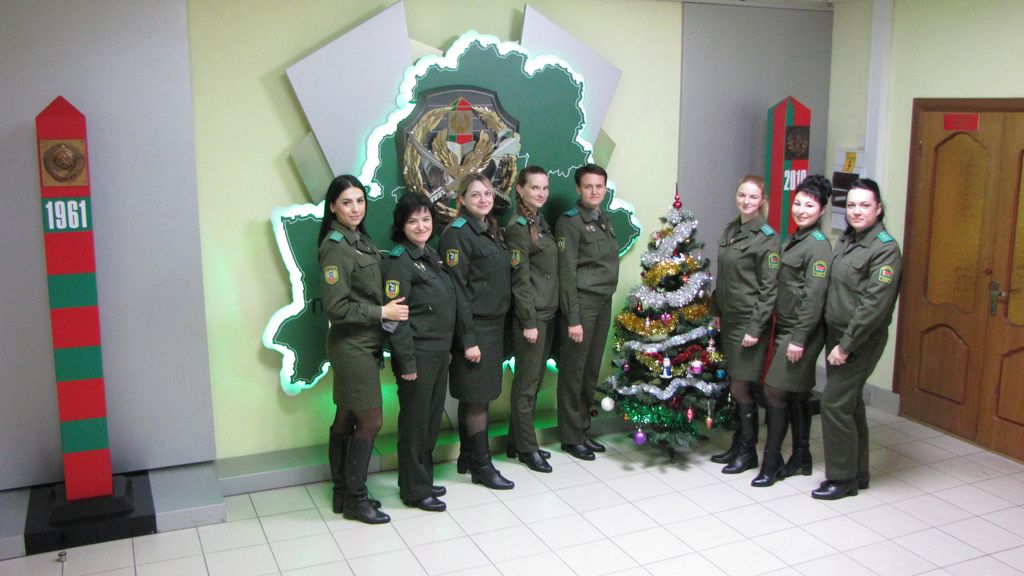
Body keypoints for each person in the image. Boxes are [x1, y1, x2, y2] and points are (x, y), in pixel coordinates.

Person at [319, 175, 408, 524]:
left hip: (363, 344)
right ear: (332, 207)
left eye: (360, 201)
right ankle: (356, 498)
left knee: (346, 416)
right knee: (371, 420)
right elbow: (336, 308)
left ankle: (343, 492)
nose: (355, 208)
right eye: (346, 202)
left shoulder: (360, 240)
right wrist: (381, 312)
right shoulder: (336, 247)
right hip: (351, 345)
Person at [812, 178, 902, 500]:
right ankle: (859, 472)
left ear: (878, 209)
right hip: (837, 334)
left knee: (833, 403)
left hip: (859, 339)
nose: (856, 211)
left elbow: (873, 306)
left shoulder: (885, 249)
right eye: (851, 205)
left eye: (864, 205)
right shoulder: (847, 240)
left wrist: (845, 346)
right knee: (849, 404)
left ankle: (842, 478)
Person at [752, 175, 832, 487]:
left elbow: (813, 298)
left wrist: (799, 339)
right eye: (797, 203)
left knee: (774, 392)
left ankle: (771, 462)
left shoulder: (818, 246)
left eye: (809, 205)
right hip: (786, 326)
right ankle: (801, 455)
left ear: (821, 210)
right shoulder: (795, 239)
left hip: (801, 332)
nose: (801, 210)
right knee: (797, 394)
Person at [439, 173, 515, 490]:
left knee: (476, 395)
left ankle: (468, 457)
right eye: (475, 195)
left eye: (488, 194)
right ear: (461, 200)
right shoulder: (457, 234)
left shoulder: (489, 229)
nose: (484, 199)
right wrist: (468, 339)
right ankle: (483, 467)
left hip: (493, 325)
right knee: (478, 398)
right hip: (474, 327)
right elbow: (456, 291)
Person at [384, 193, 456, 511]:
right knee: (415, 424)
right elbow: (396, 320)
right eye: (413, 221)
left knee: (429, 422)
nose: (421, 226)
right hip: (417, 354)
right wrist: (407, 362)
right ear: (401, 225)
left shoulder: (430, 255)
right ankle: (414, 490)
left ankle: (422, 478)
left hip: (438, 352)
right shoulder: (399, 262)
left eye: (426, 219)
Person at [709, 174, 780, 474]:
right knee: (734, 384)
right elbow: (723, 277)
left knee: (741, 386)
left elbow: (769, 289)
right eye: (742, 195)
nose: (746, 201)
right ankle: (738, 445)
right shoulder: (731, 229)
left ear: (762, 201)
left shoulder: (767, 238)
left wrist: (755, 328)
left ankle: (748, 451)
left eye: (752, 197)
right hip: (729, 318)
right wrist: (716, 310)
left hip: (749, 323)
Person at [556, 163, 619, 461]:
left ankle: (582, 430)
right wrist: (573, 318)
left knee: (590, 370)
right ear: (578, 189)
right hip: (582, 304)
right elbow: (567, 273)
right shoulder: (570, 222)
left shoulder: (603, 219)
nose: (594, 191)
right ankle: (570, 437)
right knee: (574, 372)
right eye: (588, 186)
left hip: (603, 302)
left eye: (599, 186)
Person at [505, 166, 558, 473]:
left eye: (545, 188)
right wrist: (529, 322)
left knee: (533, 382)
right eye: (535, 188)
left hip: (547, 312)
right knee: (526, 385)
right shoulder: (518, 227)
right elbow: (520, 280)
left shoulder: (540, 222)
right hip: (533, 316)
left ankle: (517, 441)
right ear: (521, 190)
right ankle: (528, 448)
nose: (541, 193)